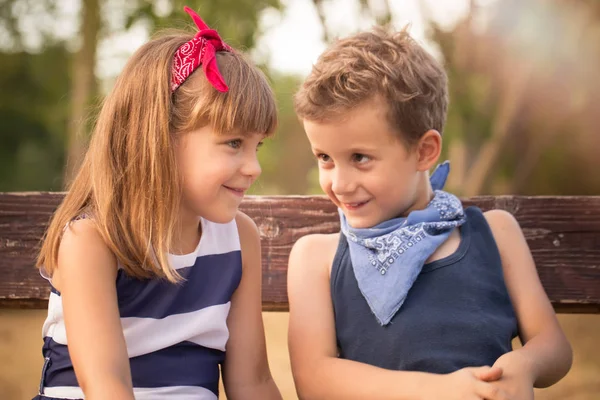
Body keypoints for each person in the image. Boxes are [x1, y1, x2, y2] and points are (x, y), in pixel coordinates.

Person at [287, 26, 572, 400]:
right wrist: (438, 390)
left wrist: (524, 365)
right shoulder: (316, 258)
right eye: (324, 158)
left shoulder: (495, 233)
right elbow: (314, 378)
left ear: (424, 152)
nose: (339, 183)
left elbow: (554, 346)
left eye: (360, 158)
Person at [33, 7, 281, 400]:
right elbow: (107, 387)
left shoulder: (238, 240)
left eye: (257, 146)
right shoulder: (92, 241)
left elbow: (253, 383)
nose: (253, 167)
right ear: (160, 138)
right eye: (234, 143)